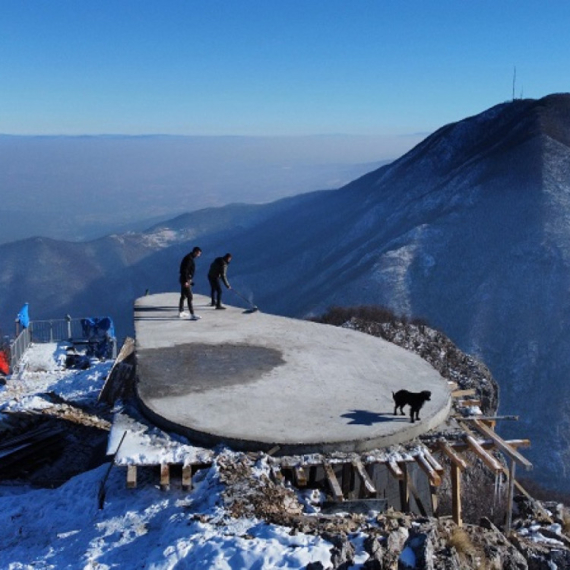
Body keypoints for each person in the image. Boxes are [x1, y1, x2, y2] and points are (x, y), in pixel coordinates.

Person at [179, 246, 202, 320]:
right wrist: (186, 281)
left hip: (184, 279)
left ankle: (181, 311)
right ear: (195, 252)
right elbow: (185, 270)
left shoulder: (189, 257)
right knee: (189, 296)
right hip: (185, 280)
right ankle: (192, 314)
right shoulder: (189, 259)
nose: (199, 255)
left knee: (183, 296)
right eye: (198, 253)